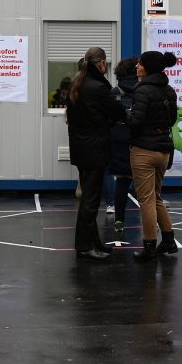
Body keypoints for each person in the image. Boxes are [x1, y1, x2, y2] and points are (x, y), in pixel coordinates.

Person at [66, 47, 126, 261]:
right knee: (91, 200)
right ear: (100, 63)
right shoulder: (99, 86)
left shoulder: (77, 84)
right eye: (105, 63)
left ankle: (94, 242)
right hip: (95, 148)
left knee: (89, 198)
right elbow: (116, 112)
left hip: (81, 148)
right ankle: (84, 247)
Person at [126, 51, 179, 261]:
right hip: (163, 151)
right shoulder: (169, 90)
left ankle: (149, 247)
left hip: (144, 151)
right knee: (156, 197)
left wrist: (123, 114)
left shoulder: (142, 91)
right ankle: (168, 241)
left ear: (148, 68)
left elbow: (136, 122)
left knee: (145, 200)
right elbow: (172, 119)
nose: (137, 67)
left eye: (140, 64)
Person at [107, 57, 138, 232]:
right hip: (138, 140)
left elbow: (108, 118)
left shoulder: (113, 92)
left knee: (122, 180)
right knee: (144, 183)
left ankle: (119, 219)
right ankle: (154, 219)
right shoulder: (142, 91)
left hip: (118, 141)